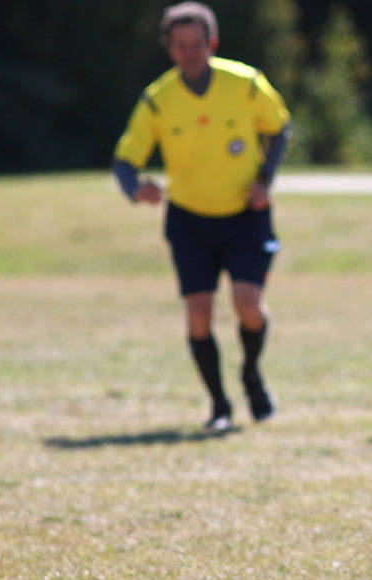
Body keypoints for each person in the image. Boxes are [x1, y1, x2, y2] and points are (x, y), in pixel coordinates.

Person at [113, 2, 292, 430]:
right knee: (198, 315)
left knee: (249, 307)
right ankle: (219, 405)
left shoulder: (245, 84)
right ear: (169, 47)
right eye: (180, 45)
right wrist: (136, 188)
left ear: (212, 43)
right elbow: (125, 160)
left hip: (246, 214)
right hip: (190, 218)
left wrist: (265, 180)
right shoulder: (158, 100)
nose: (190, 53)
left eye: (197, 44)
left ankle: (251, 374)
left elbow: (279, 127)